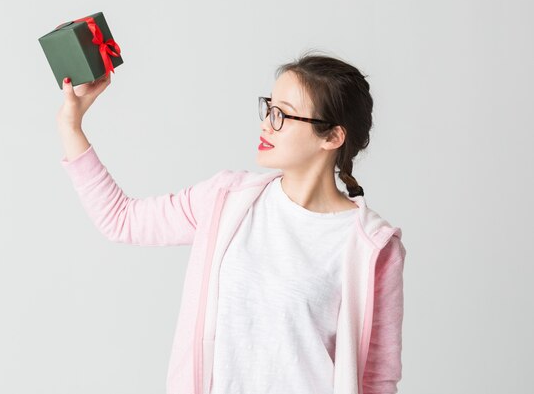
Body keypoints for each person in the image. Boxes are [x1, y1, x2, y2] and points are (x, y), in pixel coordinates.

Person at [57, 51, 406, 394]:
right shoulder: (226, 199)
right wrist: (71, 126)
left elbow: (376, 378)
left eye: (282, 115)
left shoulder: (371, 245)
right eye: (268, 108)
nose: (266, 124)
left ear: (332, 137)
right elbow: (122, 219)